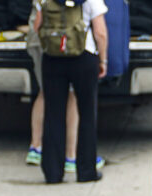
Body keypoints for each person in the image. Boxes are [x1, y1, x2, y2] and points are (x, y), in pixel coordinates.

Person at [34, 0, 108, 183]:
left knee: (53, 114)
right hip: (84, 57)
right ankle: (86, 171)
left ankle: (52, 172)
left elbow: (37, 26)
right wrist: (103, 59)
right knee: (87, 114)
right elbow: (100, 32)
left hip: (52, 58)